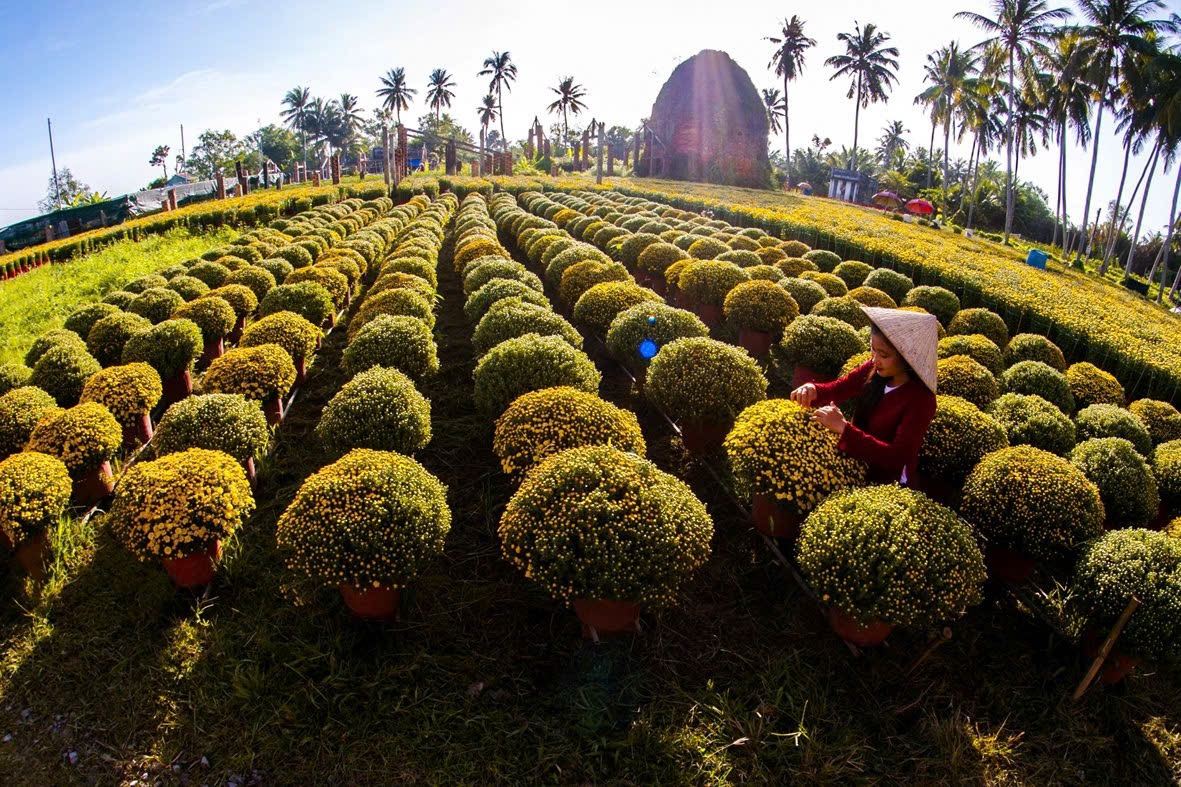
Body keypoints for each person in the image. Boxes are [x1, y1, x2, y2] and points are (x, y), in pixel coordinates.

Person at [790, 306, 939, 484]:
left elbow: (897, 458)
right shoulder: (875, 369)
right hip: (856, 460)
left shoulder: (921, 400)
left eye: (883, 354)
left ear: (908, 358)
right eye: (873, 350)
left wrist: (844, 429)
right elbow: (839, 388)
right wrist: (813, 389)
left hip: (886, 483)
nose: (875, 359)